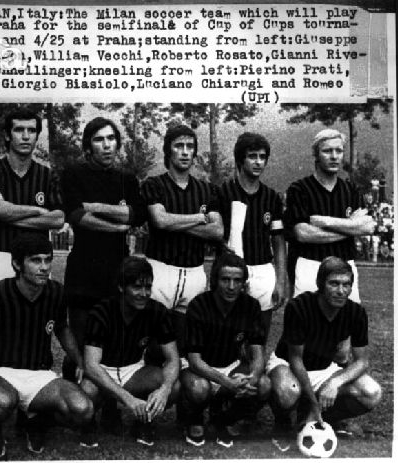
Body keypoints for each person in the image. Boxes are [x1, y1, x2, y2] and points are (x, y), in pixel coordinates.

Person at [0, 233, 93, 456]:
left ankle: (35, 420)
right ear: (17, 264)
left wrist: (79, 361)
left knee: (82, 409)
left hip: (39, 374)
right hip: (1, 372)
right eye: (36, 260)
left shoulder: (56, 292)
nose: (44, 267)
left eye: (48, 260)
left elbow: (61, 328)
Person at [60, 117, 147, 377]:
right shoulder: (74, 174)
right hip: (83, 272)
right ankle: (73, 395)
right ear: (89, 146)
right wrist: (117, 227)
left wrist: (95, 206)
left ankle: (107, 399)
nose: (107, 145)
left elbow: (136, 214)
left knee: (111, 345)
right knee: (81, 347)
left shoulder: (127, 180)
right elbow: (76, 215)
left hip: (117, 271)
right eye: (99, 140)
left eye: (111, 139)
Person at [267, 257, 382, 451]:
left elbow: (362, 362)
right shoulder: (299, 306)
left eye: (346, 285)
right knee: (288, 392)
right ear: (320, 284)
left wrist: (335, 383)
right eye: (334, 284)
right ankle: (283, 423)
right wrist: (314, 402)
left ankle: (319, 418)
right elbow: (296, 359)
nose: (341, 291)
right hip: (288, 365)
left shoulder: (355, 312)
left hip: (324, 368)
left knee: (371, 393)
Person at [141, 124, 223, 360]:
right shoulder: (154, 184)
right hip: (161, 269)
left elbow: (217, 231)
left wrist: (175, 223)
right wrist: (199, 218)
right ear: (168, 150)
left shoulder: (207, 190)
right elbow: (160, 221)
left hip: (194, 272)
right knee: (156, 344)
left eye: (190, 146)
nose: (185, 152)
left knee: (185, 343)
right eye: (179, 146)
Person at [80, 256, 180, 447]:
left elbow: (173, 358)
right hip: (103, 370)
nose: (144, 293)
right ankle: (90, 421)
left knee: (174, 386)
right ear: (121, 287)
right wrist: (129, 400)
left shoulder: (157, 311)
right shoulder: (102, 312)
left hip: (133, 370)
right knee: (87, 391)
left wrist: (165, 389)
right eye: (137, 287)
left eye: (148, 287)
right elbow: (92, 365)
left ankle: (143, 421)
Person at [180, 252, 270, 448]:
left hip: (230, 364)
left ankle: (224, 418)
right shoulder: (199, 305)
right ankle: (194, 418)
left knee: (263, 385)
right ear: (215, 280)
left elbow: (258, 352)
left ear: (244, 283)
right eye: (225, 279)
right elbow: (194, 360)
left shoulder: (251, 306)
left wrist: (253, 378)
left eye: (237, 280)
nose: (231, 286)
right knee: (199, 388)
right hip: (198, 368)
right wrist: (227, 383)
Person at [284, 129, 376, 303]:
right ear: (316, 154)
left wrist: (325, 221)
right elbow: (303, 233)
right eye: (327, 151)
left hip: (345, 266)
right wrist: (351, 227)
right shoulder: (299, 189)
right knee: (308, 317)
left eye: (339, 151)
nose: (334, 156)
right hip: (310, 265)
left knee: (347, 318)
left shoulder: (351, 190)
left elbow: (368, 226)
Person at [0, 108, 64, 290]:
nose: (25, 136)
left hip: (36, 262)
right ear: (7, 135)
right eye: (19, 130)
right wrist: (37, 210)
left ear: (37, 136)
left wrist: (8, 215)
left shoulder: (48, 176)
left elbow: (57, 219)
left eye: (31, 131)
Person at [219, 132, 287, 344]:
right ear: (241, 159)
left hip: (263, 270)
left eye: (262, 157)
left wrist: (281, 281)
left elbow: (278, 241)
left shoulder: (271, 197)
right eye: (252, 156)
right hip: (231, 272)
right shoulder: (223, 192)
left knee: (259, 337)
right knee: (228, 336)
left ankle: (256, 365)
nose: (258, 162)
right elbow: (214, 233)